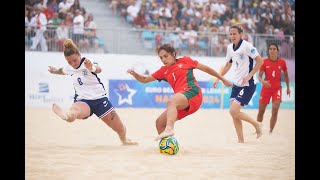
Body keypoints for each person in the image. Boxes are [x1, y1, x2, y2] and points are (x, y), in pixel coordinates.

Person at [127, 44, 232, 141]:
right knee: (159, 123)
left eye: (166, 56)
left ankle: (169, 128)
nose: (163, 59)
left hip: (193, 93)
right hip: (184, 102)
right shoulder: (163, 71)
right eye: (161, 57)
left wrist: (222, 78)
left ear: (173, 54)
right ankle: (167, 146)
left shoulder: (185, 60)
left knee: (171, 101)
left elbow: (206, 69)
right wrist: (135, 74)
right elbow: (144, 80)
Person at [48, 39, 137, 145]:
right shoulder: (69, 68)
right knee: (74, 112)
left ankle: (124, 140)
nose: (73, 64)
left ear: (79, 55)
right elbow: (61, 71)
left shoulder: (87, 62)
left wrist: (92, 68)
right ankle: (67, 116)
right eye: (69, 62)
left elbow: (99, 69)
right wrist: (54, 71)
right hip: (83, 101)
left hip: (100, 101)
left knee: (120, 128)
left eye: (75, 60)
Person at [213, 25, 263, 143]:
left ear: (241, 34)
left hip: (248, 84)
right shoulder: (230, 47)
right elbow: (228, 65)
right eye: (230, 34)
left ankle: (257, 124)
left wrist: (249, 75)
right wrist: (218, 78)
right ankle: (241, 141)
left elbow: (260, 61)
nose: (232, 36)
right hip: (236, 84)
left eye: (234, 33)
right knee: (234, 114)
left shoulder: (247, 46)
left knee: (233, 111)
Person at [257, 43, 291, 134]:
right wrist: (263, 81)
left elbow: (287, 76)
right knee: (261, 111)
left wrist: (288, 88)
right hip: (266, 89)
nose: (272, 50)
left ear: (277, 51)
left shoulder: (282, 62)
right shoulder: (264, 61)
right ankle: (258, 130)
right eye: (270, 49)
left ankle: (271, 131)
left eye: (274, 49)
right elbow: (259, 77)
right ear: (268, 51)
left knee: (275, 110)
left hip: (277, 89)